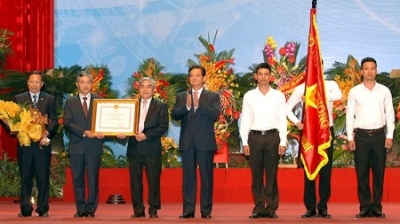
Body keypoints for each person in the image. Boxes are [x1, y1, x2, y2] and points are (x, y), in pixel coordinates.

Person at [346, 57, 394, 218]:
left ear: (376, 70)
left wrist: (390, 135)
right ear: (361, 71)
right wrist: (350, 138)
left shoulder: (384, 91)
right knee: (362, 173)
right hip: (361, 137)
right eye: (366, 69)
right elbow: (349, 116)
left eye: (372, 68)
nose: (369, 71)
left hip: (380, 136)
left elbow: (390, 115)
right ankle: (365, 207)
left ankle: (377, 207)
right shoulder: (354, 91)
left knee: (379, 173)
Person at [286, 80, 342, 218]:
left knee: (325, 169)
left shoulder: (330, 85)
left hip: (326, 131)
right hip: (309, 132)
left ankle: (323, 207)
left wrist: (315, 95)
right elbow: (287, 108)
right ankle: (310, 207)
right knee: (309, 168)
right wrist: (297, 122)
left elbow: (339, 96)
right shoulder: (300, 88)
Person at [171, 65, 220, 219]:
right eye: (192, 76)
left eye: (197, 75)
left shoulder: (212, 96)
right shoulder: (181, 96)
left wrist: (200, 105)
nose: (194, 78)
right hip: (187, 142)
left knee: (206, 177)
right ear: (188, 79)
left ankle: (206, 211)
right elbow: (174, 114)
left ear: (204, 78)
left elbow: (215, 114)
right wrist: (186, 107)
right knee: (188, 178)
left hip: (205, 142)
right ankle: (188, 210)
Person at [239, 62, 287, 219]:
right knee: (257, 175)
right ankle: (259, 208)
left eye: (266, 74)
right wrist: (245, 142)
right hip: (255, 138)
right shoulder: (249, 96)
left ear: (271, 77)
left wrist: (283, 142)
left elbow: (282, 120)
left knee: (272, 175)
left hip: (273, 137)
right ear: (256, 77)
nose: (263, 77)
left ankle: (272, 208)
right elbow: (245, 119)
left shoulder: (279, 96)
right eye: (260, 74)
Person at [117, 77, 169, 218]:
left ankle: (153, 210)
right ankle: (138, 211)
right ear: (138, 89)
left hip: (151, 148)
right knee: (135, 182)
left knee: (153, 180)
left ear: (153, 89)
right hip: (134, 148)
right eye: (142, 86)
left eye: (148, 87)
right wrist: (122, 134)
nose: (145, 89)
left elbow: (163, 126)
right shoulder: (131, 105)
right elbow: (124, 124)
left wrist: (146, 135)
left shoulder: (160, 106)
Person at [14, 71, 58, 218]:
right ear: (27, 83)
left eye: (37, 82)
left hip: (42, 146)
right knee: (25, 177)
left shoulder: (49, 99)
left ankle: (43, 209)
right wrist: (16, 128)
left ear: (42, 84)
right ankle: (25, 209)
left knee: (43, 177)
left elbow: (54, 120)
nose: (34, 84)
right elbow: (13, 121)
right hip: (25, 146)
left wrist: (47, 133)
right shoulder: (19, 99)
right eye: (32, 81)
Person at [64, 71, 104, 218]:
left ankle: (91, 209)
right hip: (77, 145)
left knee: (93, 179)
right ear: (77, 84)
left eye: (88, 82)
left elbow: (105, 122)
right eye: (82, 82)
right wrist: (84, 131)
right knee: (77, 178)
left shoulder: (100, 101)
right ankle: (80, 208)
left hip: (94, 145)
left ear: (92, 84)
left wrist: (104, 130)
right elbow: (68, 123)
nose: (85, 85)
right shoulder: (70, 102)